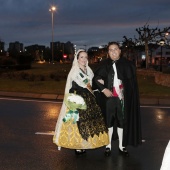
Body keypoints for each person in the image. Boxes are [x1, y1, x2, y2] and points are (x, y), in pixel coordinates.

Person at [53, 49, 109, 155]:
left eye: (85, 57)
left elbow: (92, 84)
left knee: (88, 123)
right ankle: (77, 146)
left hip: (88, 99)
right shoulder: (75, 71)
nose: (84, 59)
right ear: (77, 59)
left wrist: (101, 82)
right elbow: (78, 85)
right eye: (81, 57)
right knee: (77, 123)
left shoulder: (89, 70)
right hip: (77, 99)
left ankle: (85, 143)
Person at [93, 41, 142, 157]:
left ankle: (122, 146)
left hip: (122, 99)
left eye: (115, 49)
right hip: (108, 99)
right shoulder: (103, 64)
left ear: (120, 51)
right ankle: (108, 146)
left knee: (122, 122)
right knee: (108, 122)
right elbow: (95, 79)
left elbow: (132, 84)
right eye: (111, 50)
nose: (113, 52)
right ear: (108, 52)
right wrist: (103, 89)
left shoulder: (128, 65)